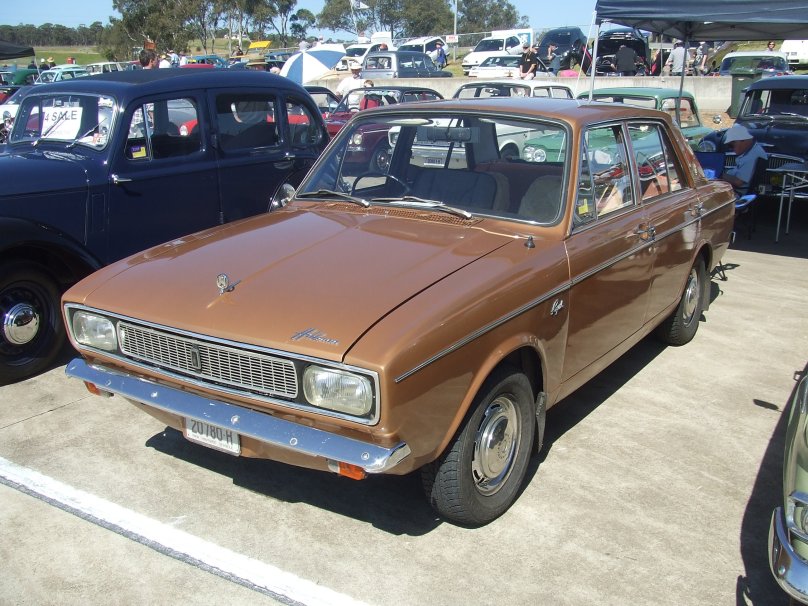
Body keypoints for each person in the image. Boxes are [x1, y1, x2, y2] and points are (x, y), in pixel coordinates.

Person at [721, 124, 767, 196]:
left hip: (738, 194)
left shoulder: (751, 156)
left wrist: (719, 174)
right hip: (733, 190)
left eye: (731, 145)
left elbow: (738, 182)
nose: (731, 149)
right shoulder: (752, 151)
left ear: (742, 140)